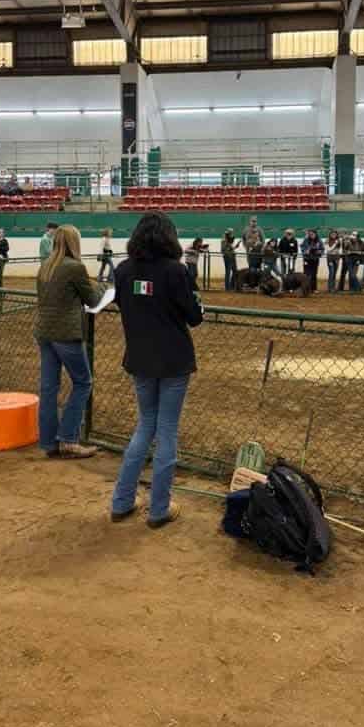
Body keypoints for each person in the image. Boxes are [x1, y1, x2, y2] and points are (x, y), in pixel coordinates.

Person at [111, 212, 203, 528]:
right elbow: (194, 316)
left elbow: (122, 304)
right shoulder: (175, 271)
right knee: (166, 431)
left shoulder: (122, 270)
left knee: (145, 426)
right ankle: (158, 509)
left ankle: (122, 501)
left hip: (140, 358)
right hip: (173, 360)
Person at [34, 225, 104, 460]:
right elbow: (92, 300)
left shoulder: (46, 266)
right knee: (83, 383)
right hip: (66, 334)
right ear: (75, 242)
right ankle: (69, 440)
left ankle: (48, 442)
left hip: (45, 332)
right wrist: (102, 286)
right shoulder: (75, 267)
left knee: (48, 389)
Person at [325, 229, 342, 293]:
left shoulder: (338, 241)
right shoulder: (327, 240)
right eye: (332, 234)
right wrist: (335, 243)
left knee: (334, 273)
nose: (333, 235)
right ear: (330, 235)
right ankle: (330, 288)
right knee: (331, 273)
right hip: (330, 258)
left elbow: (339, 249)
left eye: (335, 234)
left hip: (337, 258)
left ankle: (333, 288)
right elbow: (328, 249)